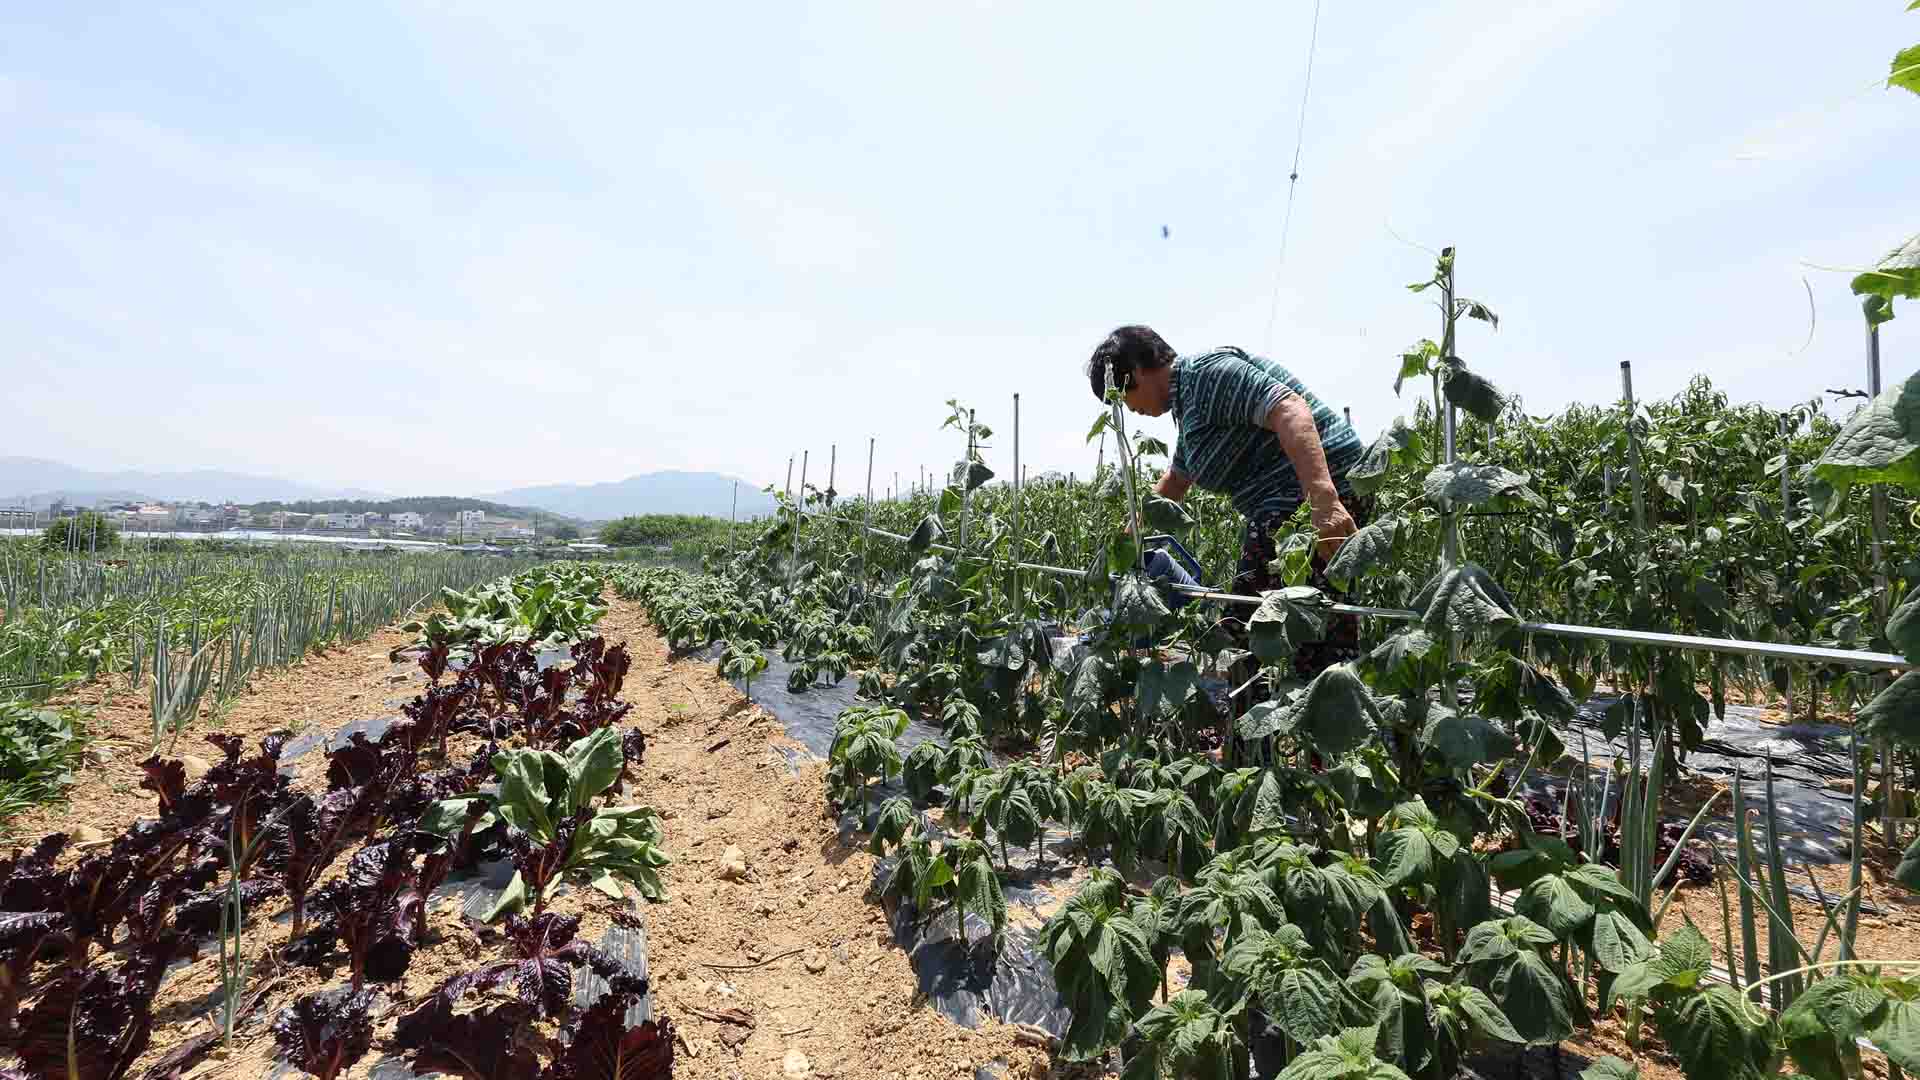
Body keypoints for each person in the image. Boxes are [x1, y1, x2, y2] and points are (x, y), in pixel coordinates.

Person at [1086, 324, 1370, 682]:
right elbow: (1175, 481)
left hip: (1311, 501)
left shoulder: (1207, 374)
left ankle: (1292, 710)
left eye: (1122, 397)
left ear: (1137, 372)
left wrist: (1325, 502)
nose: (1128, 409)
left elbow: (1289, 409)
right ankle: (1307, 706)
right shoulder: (1189, 407)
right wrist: (1125, 545)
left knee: (1256, 630)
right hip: (1288, 504)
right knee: (1291, 631)